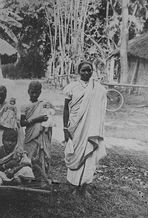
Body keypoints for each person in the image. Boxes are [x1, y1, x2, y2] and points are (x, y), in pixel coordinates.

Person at [63, 60, 107, 197]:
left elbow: (100, 108)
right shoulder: (72, 87)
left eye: (89, 70)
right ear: (78, 72)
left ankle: (84, 187)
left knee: (89, 155)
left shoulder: (98, 89)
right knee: (75, 154)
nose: (87, 73)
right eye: (83, 70)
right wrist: (65, 128)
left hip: (90, 128)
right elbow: (66, 109)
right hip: (75, 127)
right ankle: (74, 186)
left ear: (92, 71)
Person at [20, 81, 53, 183]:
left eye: (36, 92)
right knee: (28, 157)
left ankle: (40, 178)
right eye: (32, 92)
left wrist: (45, 119)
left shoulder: (43, 105)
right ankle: (27, 177)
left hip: (40, 136)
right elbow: (22, 123)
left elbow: (48, 117)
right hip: (30, 135)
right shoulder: (24, 105)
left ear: (40, 92)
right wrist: (36, 120)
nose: (34, 94)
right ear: (28, 91)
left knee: (40, 157)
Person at [0, 86, 22, 152]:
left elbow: (12, 124)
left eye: (2, 96)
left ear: (5, 96)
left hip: (4, 134)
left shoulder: (9, 107)